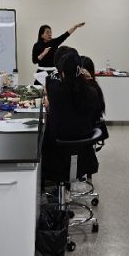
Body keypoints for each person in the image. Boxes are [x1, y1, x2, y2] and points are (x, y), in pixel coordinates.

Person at [41, 50, 104, 182]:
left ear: (62, 72)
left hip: (57, 151)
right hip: (84, 150)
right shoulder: (92, 92)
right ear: (80, 71)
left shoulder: (56, 90)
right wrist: (90, 80)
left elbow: (49, 79)